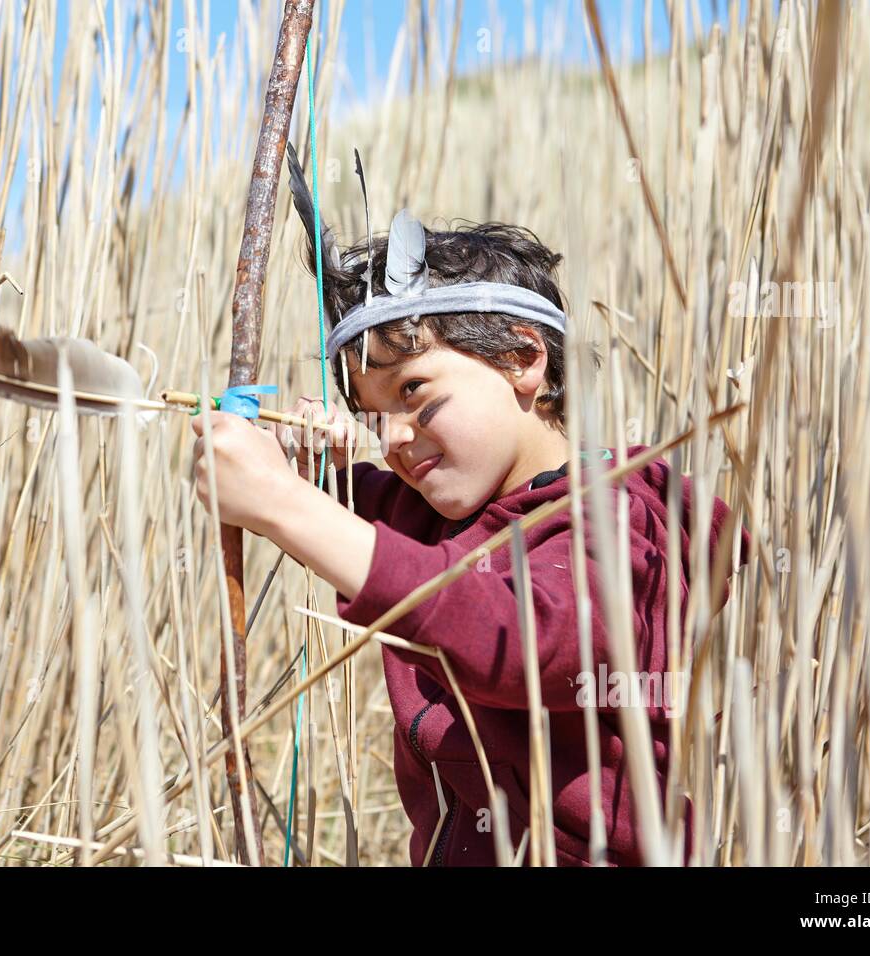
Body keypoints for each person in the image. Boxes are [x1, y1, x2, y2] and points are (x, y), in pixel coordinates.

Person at [189, 201, 746, 866]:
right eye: (372, 414)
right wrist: (299, 472)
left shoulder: (625, 527)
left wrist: (286, 505)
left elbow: (510, 640)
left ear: (521, 358)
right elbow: (372, 534)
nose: (392, 437)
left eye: (416, 391)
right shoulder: (432, 513)